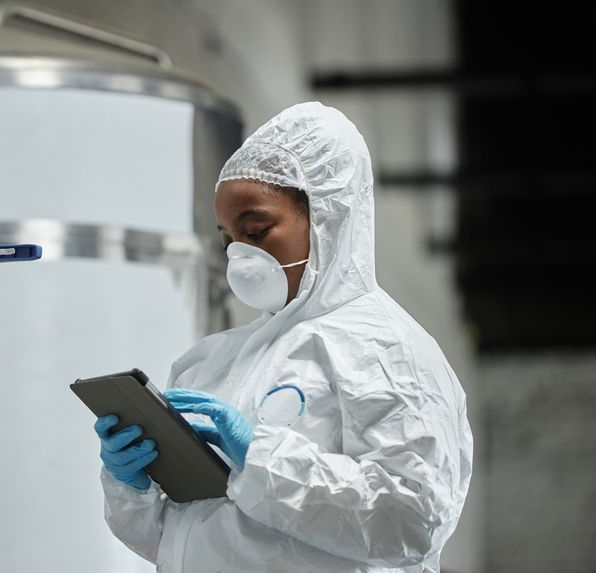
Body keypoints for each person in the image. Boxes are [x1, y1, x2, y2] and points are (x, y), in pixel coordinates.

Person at [93, 102, 473, 572]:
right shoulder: (214, 360)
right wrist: (134, 486)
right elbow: (184, 539)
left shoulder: (386, 351)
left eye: (256, 230)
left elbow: (413, 517)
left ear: (327, 218)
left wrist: (261, 457)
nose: (239, 255)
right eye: (227, 237)